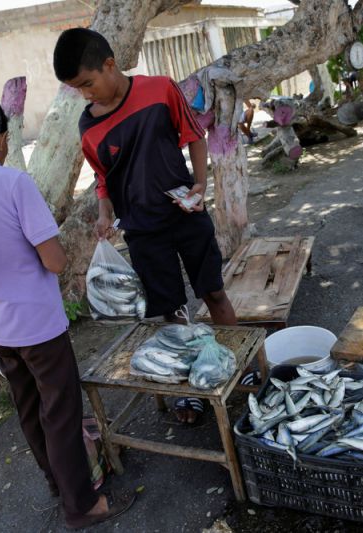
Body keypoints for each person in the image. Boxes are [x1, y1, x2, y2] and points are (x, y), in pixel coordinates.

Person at [0, 90, 132, 528]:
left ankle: (58, 484)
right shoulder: (12, 183)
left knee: (29, 409)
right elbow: (54, 260)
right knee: (59, 412)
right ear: (0, 138)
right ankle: (82, 505)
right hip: (37, 324)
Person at [53, 28, 237, 425]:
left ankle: (238, 366)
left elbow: (194, 134)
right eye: (77, 90)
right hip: (142, 231)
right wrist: (104, 212)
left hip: (187, 216)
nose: (86, 94)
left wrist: (200, 183)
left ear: (109, 65)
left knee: (215, 293)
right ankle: (191, 393)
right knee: (172, 312)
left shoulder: (159, 90)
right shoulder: (89, 129)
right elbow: (104, 177)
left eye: (87, 83)